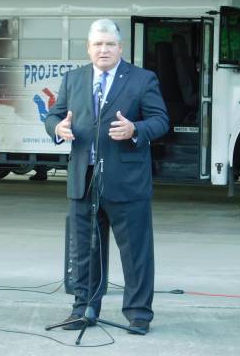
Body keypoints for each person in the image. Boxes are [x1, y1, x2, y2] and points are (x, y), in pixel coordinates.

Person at [45, 19, 168, 335]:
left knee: (135, 252)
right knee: (85, 251)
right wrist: (57, 128)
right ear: (88, 48)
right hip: (83, 179)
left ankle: (139, 314)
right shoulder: (74, 79)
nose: (103, 49)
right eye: (98, 44)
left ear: (120, 48)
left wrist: (136, 129)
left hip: (127, 181)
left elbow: (160, 120)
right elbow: (56, 116)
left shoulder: (142, 79)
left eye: (109, 44)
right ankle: (84, 309)